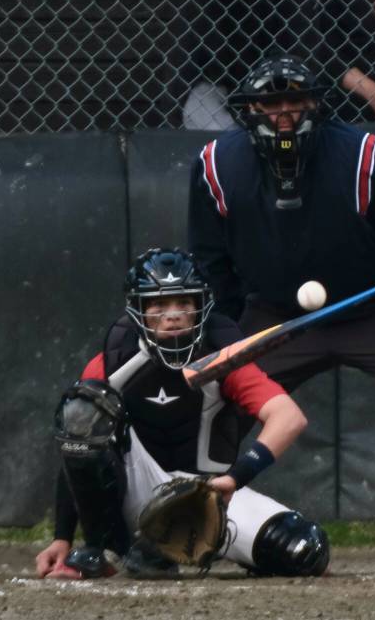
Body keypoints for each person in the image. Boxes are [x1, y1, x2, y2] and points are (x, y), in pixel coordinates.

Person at [186, 53, 375, 565]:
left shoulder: (367, 155)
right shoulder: (216, 165)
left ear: (317, 104)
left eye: (295, 100)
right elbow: (212, 268)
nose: (283, 113)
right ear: (248, 108)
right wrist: (227, 338)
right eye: (270, 102)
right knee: (211, 401)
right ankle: (186, 528)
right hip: (278, 318)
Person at [35, 248, 328, 580]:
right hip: (135, 488)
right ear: (139, 311)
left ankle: (166, 548)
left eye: (183, 304)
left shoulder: (223, 357)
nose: (172, 315)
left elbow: (288, 417)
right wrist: (62, 536)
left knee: (305, 551)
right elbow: (77, 442)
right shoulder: (115, 360)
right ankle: (105, 551)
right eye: (159, 306)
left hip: (209, 497)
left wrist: (234, 479)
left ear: (200, 307)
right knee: (83, 409)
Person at [176, 0, 321, 130]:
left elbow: (304, 52)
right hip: (219, 87)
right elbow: (194, 69)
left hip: (279, 87)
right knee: (203, 108)